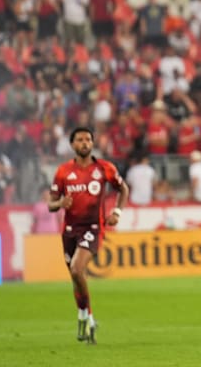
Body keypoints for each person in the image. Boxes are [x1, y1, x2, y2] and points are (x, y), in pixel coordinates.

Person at [48, 127, 129, 343]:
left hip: (93, 227)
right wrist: (60, 203)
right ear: (72, 145)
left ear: (92, 144)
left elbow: (123, 189)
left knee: (77, 268)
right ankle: (89, 318)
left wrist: (117, 212)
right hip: (69, 230)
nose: (84, 143)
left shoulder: (104, 168)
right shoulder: (63, 171)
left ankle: (83, 315)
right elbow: (51, 204)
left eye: (88, 139)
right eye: (80, 140)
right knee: (76, 277)